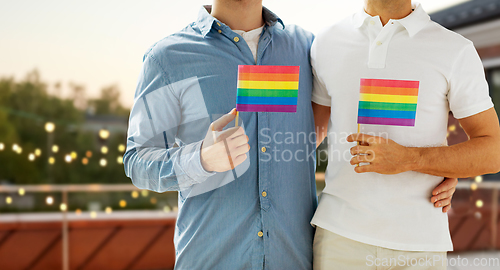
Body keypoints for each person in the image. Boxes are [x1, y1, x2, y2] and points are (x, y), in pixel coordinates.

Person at [124, 0, 457, 269]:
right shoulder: (169, 57)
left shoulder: (307, 48)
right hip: (211, 258)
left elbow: (351, 116)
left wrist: (427, 166)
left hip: (294, 258)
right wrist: (200, 159)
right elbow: (137, 161)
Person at [311, 0, 500, 269]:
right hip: (339, 240)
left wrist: (412, 159)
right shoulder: (326, 42)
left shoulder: (454, 50)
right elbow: (307, 135)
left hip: (420, 247)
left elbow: (493, 152)